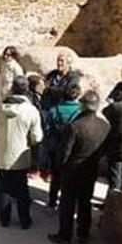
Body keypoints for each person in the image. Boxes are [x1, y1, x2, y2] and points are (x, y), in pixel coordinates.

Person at [48, 91, 110, 244]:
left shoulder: (74, 126)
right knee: (85, 201)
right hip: (91, 169)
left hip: (72, 170)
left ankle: (65, 236)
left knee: (67, 203)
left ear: (82, 106)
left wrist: (60, 168)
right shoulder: (105, 126)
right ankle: (83, 234)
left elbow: (64, 152)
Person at [0, 76, 43, 229]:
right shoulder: (31, 111)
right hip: (21, 157)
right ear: (26, 91)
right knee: (22, 189)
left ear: (12, 89)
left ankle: (4, 220)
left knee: (4, 187)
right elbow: (37, 136)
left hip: (2, 156)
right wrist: (28, 143)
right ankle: (25, 221)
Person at [43, 84, 82, 212]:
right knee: (71, 178)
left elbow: (47, 129)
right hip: (73, 149)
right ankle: (66, 204)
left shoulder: (54, 110)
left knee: (56, 177)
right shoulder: (81, 111)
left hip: (56, 148)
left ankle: (52, 203)